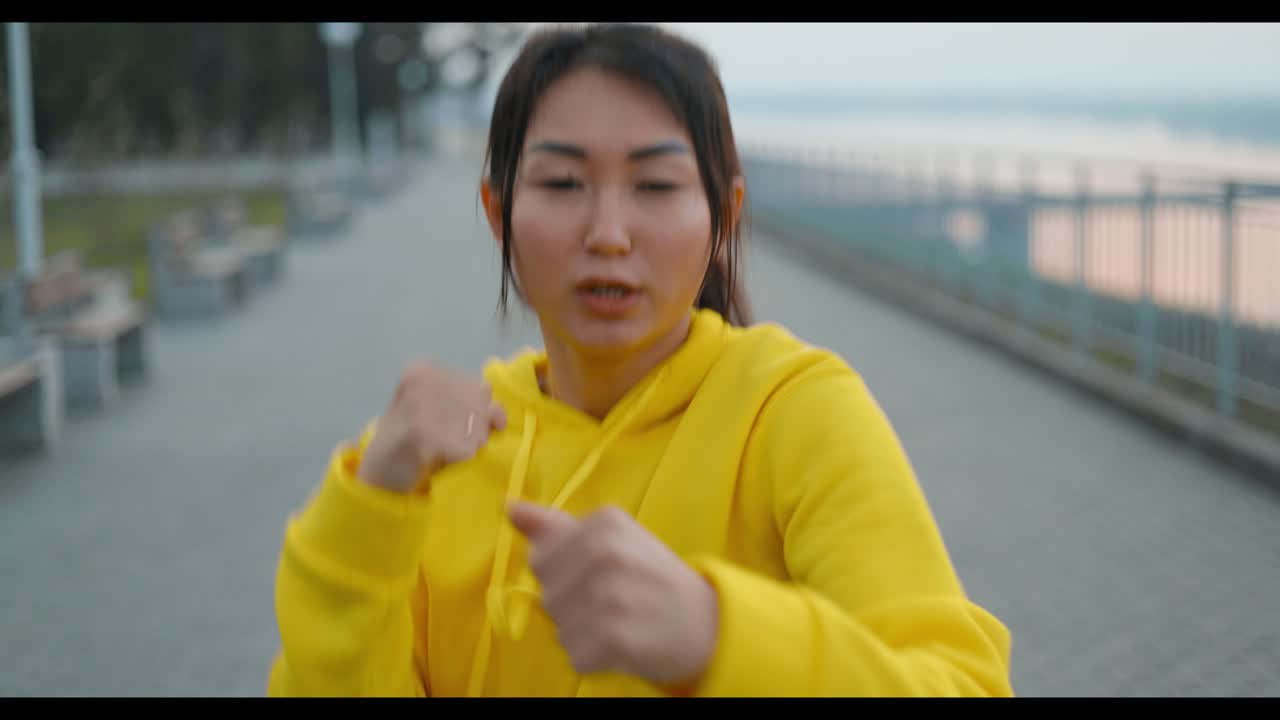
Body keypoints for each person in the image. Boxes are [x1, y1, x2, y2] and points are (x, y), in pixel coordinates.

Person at [266, 22, 1013, 698]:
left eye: (656, 185)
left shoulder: (792, 411)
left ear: (725, 217)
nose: (610, 233)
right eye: (562, 183)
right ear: (499, 213)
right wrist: (365, 510)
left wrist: (716, 636)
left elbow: (960, 685)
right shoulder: (437, 456)